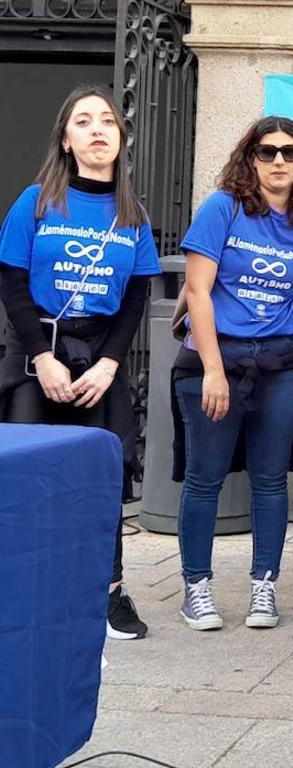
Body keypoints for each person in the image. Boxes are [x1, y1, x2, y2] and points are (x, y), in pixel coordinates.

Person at [0, 85, 161, 641]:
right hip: (36, 351)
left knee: (101, 477)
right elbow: (13, 284)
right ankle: (18, 587)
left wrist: (110, 364)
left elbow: (138, 296)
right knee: (25, 473)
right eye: (84, 122)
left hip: (100, 359)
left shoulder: (132, 214)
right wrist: (42, 358)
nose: (98, 130)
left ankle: (108, 593)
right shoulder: (36, 201)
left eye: (108, 122)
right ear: (66, 140)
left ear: (121, 138)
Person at [172, 117, 293, 630]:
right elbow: (197, 292)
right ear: (250, 158)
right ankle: (196, 587)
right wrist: (213, 371)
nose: (279, 161)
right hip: (216, 361)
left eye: (290, 152)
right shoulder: (223, 207)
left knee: (270, 480)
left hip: (282, 362)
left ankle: (264, 587)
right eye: (267, 152)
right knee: (205, 478)